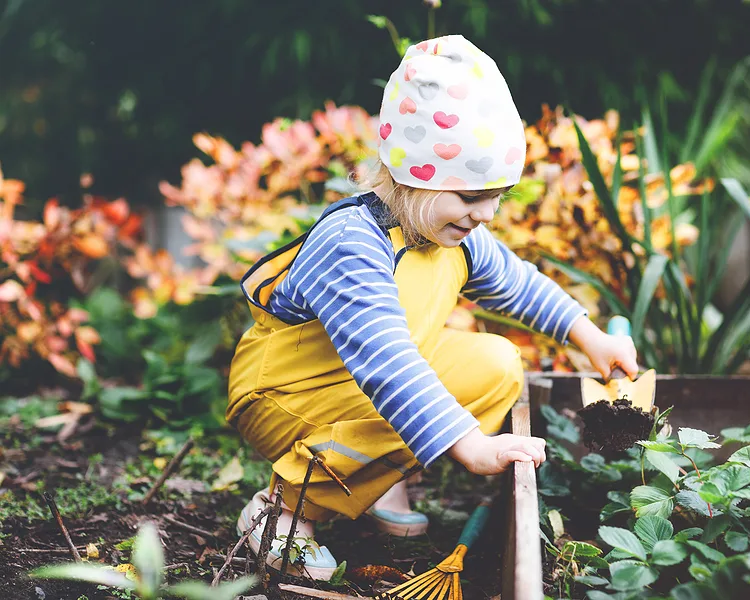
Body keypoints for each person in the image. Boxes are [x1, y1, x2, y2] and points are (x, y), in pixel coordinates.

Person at [225, 34, 638, 580]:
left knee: (497, 366)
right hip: (286, 394)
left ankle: (372, 479)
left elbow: (517, 283)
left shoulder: (449, 233)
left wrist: (592, 338)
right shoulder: (354, 241)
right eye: (471, 196)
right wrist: (470, 446)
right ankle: (281, 512)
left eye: (498, 195)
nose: (487, 213)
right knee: (413, 407)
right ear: (410, 176)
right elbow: (388, 364)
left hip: (355, 382)